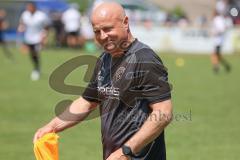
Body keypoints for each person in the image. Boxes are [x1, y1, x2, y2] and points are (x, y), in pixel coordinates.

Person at [33, 2, 173, 160]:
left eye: (108, 29)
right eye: (97, 31)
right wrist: (51, 127)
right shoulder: (104, 59)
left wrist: (126, 151)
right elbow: (87, 101)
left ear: (125, 22)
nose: (102, 36)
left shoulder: (145, 59)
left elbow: (163, 113)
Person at [18, 2, 49, 80]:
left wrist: (44, 36)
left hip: (38, 38)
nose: (29, 9)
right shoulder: (25, 14)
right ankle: (37, 68)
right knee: (32, 55)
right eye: (28, 7)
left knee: (36, 53)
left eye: (30, 7)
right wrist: (21, 28)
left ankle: (36, 70)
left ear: (34, 7)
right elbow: (22, 23)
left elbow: (46, 26)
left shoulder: (41, 15)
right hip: (28, 38)